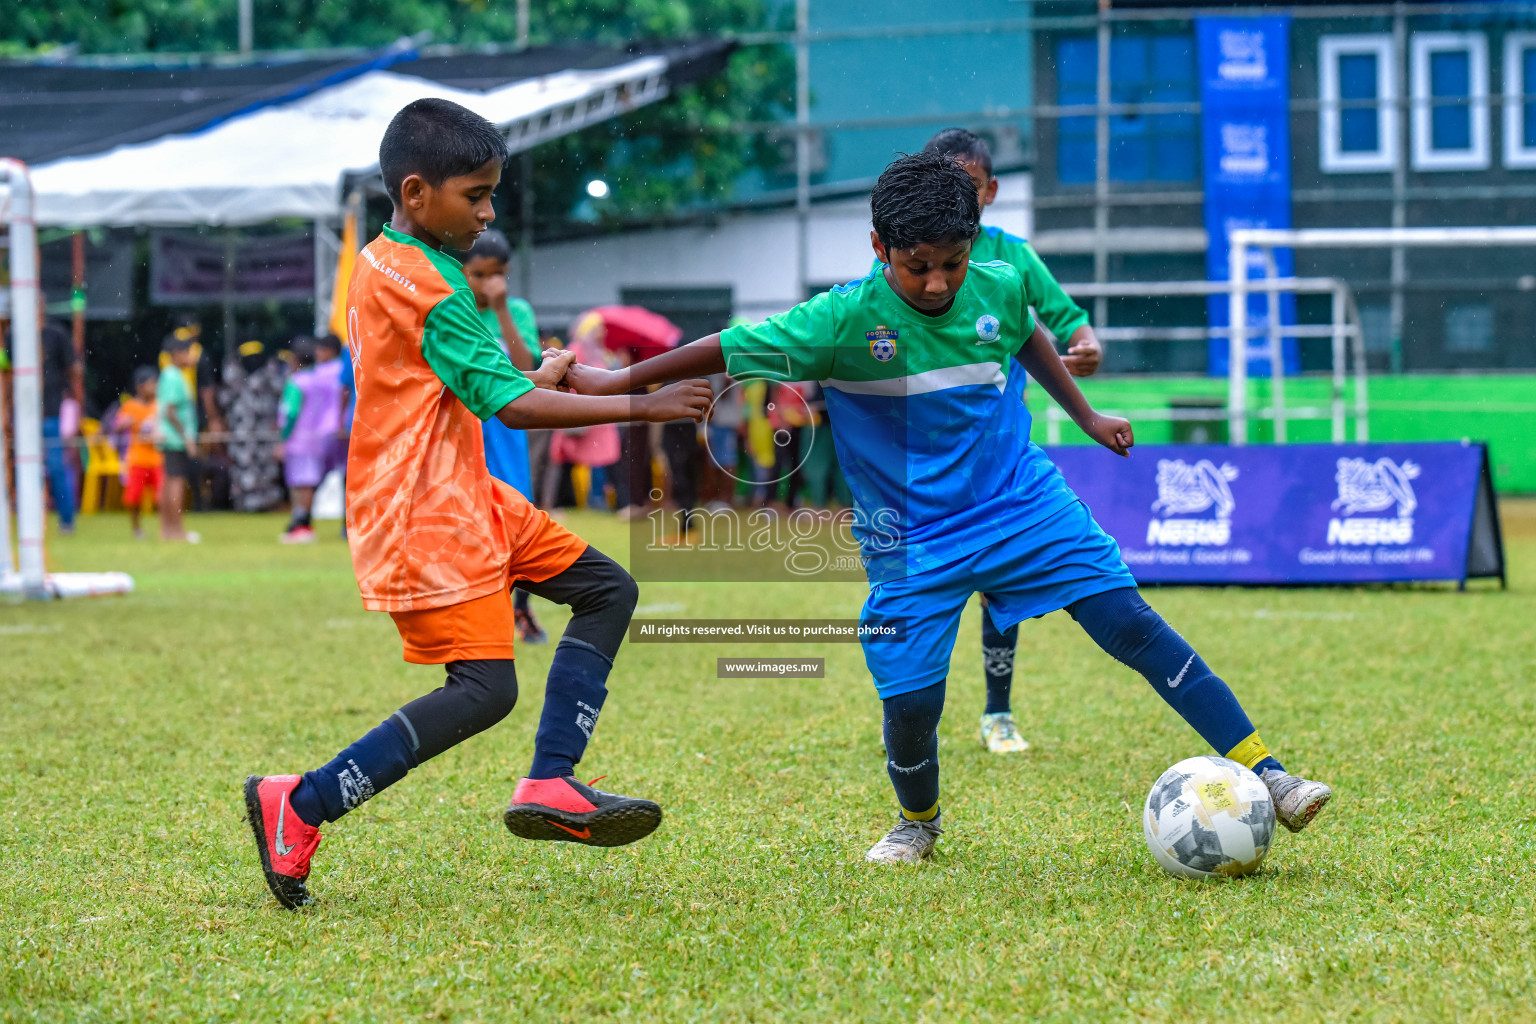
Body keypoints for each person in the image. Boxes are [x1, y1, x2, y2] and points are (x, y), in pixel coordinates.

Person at [565, 151, 1333, 864]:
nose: (936, 284)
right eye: (916, 268)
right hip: (912, 539)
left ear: (974, 245)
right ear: (878, 248)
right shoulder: (837, 321)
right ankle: (919, 821)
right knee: (911, 703)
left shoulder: (997, 280)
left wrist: (1087, 415)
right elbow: (722, 348)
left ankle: (1271, 772)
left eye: (951, 265)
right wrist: (610, 385)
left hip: (1020, 501)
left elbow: (1029, 334)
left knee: (1132, 625)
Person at [242, 97, 712, 910]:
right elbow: (513, 412)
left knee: (607, 589)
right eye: (477, 194)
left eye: (493, 192)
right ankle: (303, 802)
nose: (489, 211)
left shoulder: (386, 261)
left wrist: (534, 376)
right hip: (424, 509)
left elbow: (460, 388)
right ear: (418, 191)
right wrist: (647, 407)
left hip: (462, 490)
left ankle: (551, 782)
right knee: (485, 689)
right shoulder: (428, 283)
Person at [917, 128, 1109, 755]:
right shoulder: (911, 255)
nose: (955, 200)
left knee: (1000, 584)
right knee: (917, 591)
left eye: (966, 188)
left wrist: (1085, 345)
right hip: (921, 458)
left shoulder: (1013, 260)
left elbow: (1068, 323)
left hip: (997, 457)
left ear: (991, 191)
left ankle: (997, 713)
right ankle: (913, 711)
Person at [461, 229, 549, 642]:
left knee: (516, 518)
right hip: (463, 427)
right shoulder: (453, 309)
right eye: (478, 274)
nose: (488, 283)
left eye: (497, 275)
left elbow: (526, 366)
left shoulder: (517, 310)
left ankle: (522, 608)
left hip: (506, 427)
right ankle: (476, 613)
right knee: (469, 519)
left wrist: (501, 311)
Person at [276, 335, 348, 543]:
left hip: (305, 436)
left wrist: (283, 438)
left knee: (303, 483)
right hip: (335, 431)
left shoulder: (302, 380)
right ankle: (347, 523)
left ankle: (302, 524)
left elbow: (290, 412)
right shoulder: (338, 370)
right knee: (344, 476)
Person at [157, 332, 200, 543]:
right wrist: (187, 439)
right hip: (175, 439)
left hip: (172, 438)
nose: (192, 358)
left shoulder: (171, 375)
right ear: (177, 354)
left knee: (170, 482)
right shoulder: (173, 376)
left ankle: (168, 530)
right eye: (188, 354)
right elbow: (171, 411)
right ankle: (176, 531)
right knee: (176, 483)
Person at [115, 366, 162, 539]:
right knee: (133, 498)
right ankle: (136, 529)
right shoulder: (130, 406)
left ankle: (164, 528)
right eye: (151, 384)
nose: (155, 388)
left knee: (162, 497)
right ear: (140, 387)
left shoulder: (159, 405)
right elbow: (117, 424)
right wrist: (124, 423)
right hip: (137, 458)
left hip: (157, 458)